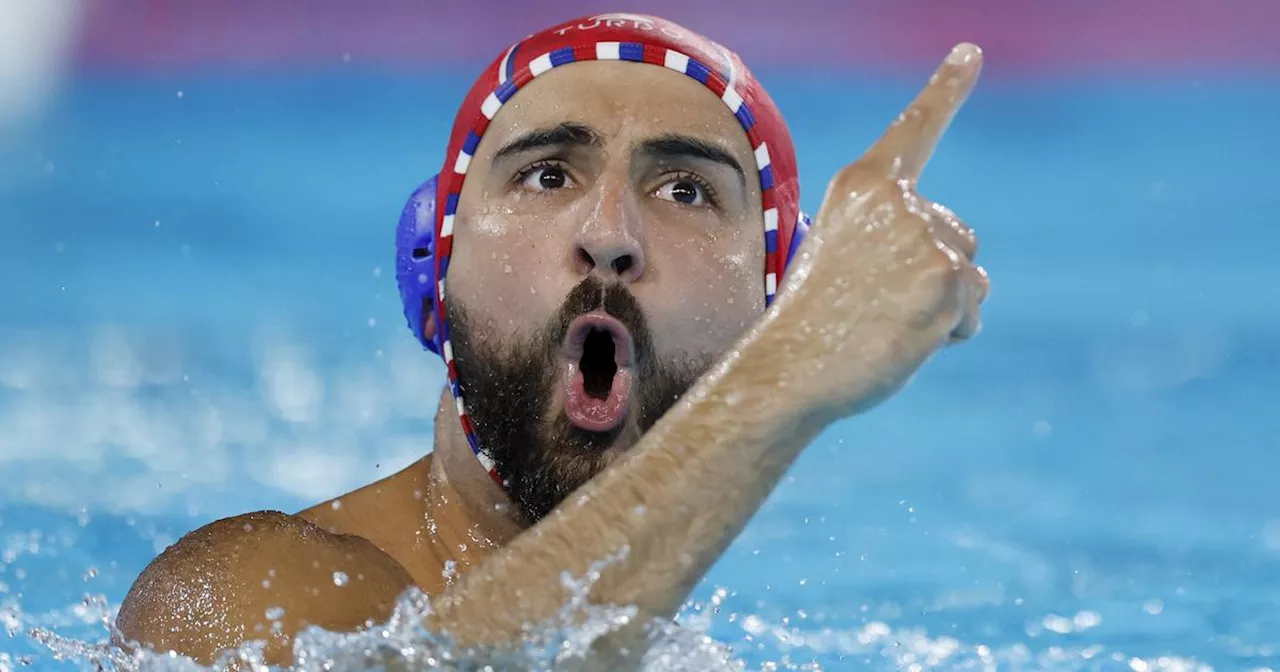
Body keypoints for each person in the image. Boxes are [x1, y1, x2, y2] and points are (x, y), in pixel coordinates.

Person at [113, 12, 989, 668]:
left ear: (765, 305)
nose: (610, 231)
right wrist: (789, 377)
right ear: (433, 269)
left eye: (685, 191)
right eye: (546, 174)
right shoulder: (243, 593)